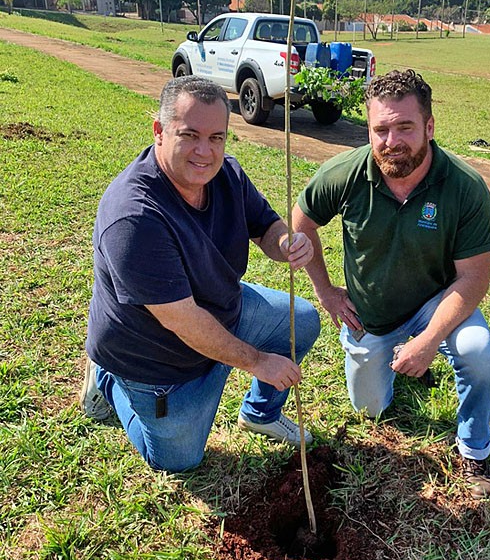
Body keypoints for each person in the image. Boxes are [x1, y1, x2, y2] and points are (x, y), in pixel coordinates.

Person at [80, 75, 321, 473]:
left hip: (220, 311)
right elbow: (184, 321)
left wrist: (286, 243)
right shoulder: (134, 216)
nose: (204, 152)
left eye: (216, 138)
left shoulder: (226, 174)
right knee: (178, 460)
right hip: (156, 357)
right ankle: (107, 378)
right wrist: (258, 360)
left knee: (302, 320)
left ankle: (260, 414)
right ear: (159, 130)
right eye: (190, 135)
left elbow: (265, 226)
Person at [293, 69, 490, 499]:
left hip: (435, 300)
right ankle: (398, 364)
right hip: (372, 313)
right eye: (380, 129)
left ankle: (473, 447)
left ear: (428, 126)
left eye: (404, 127)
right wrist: (326, 291)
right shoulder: (345, 174)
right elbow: (301, 225)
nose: (392, 141)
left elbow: (473, 278)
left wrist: (428, 340)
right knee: (370, 410)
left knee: (479, 354)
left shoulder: (465, 187)